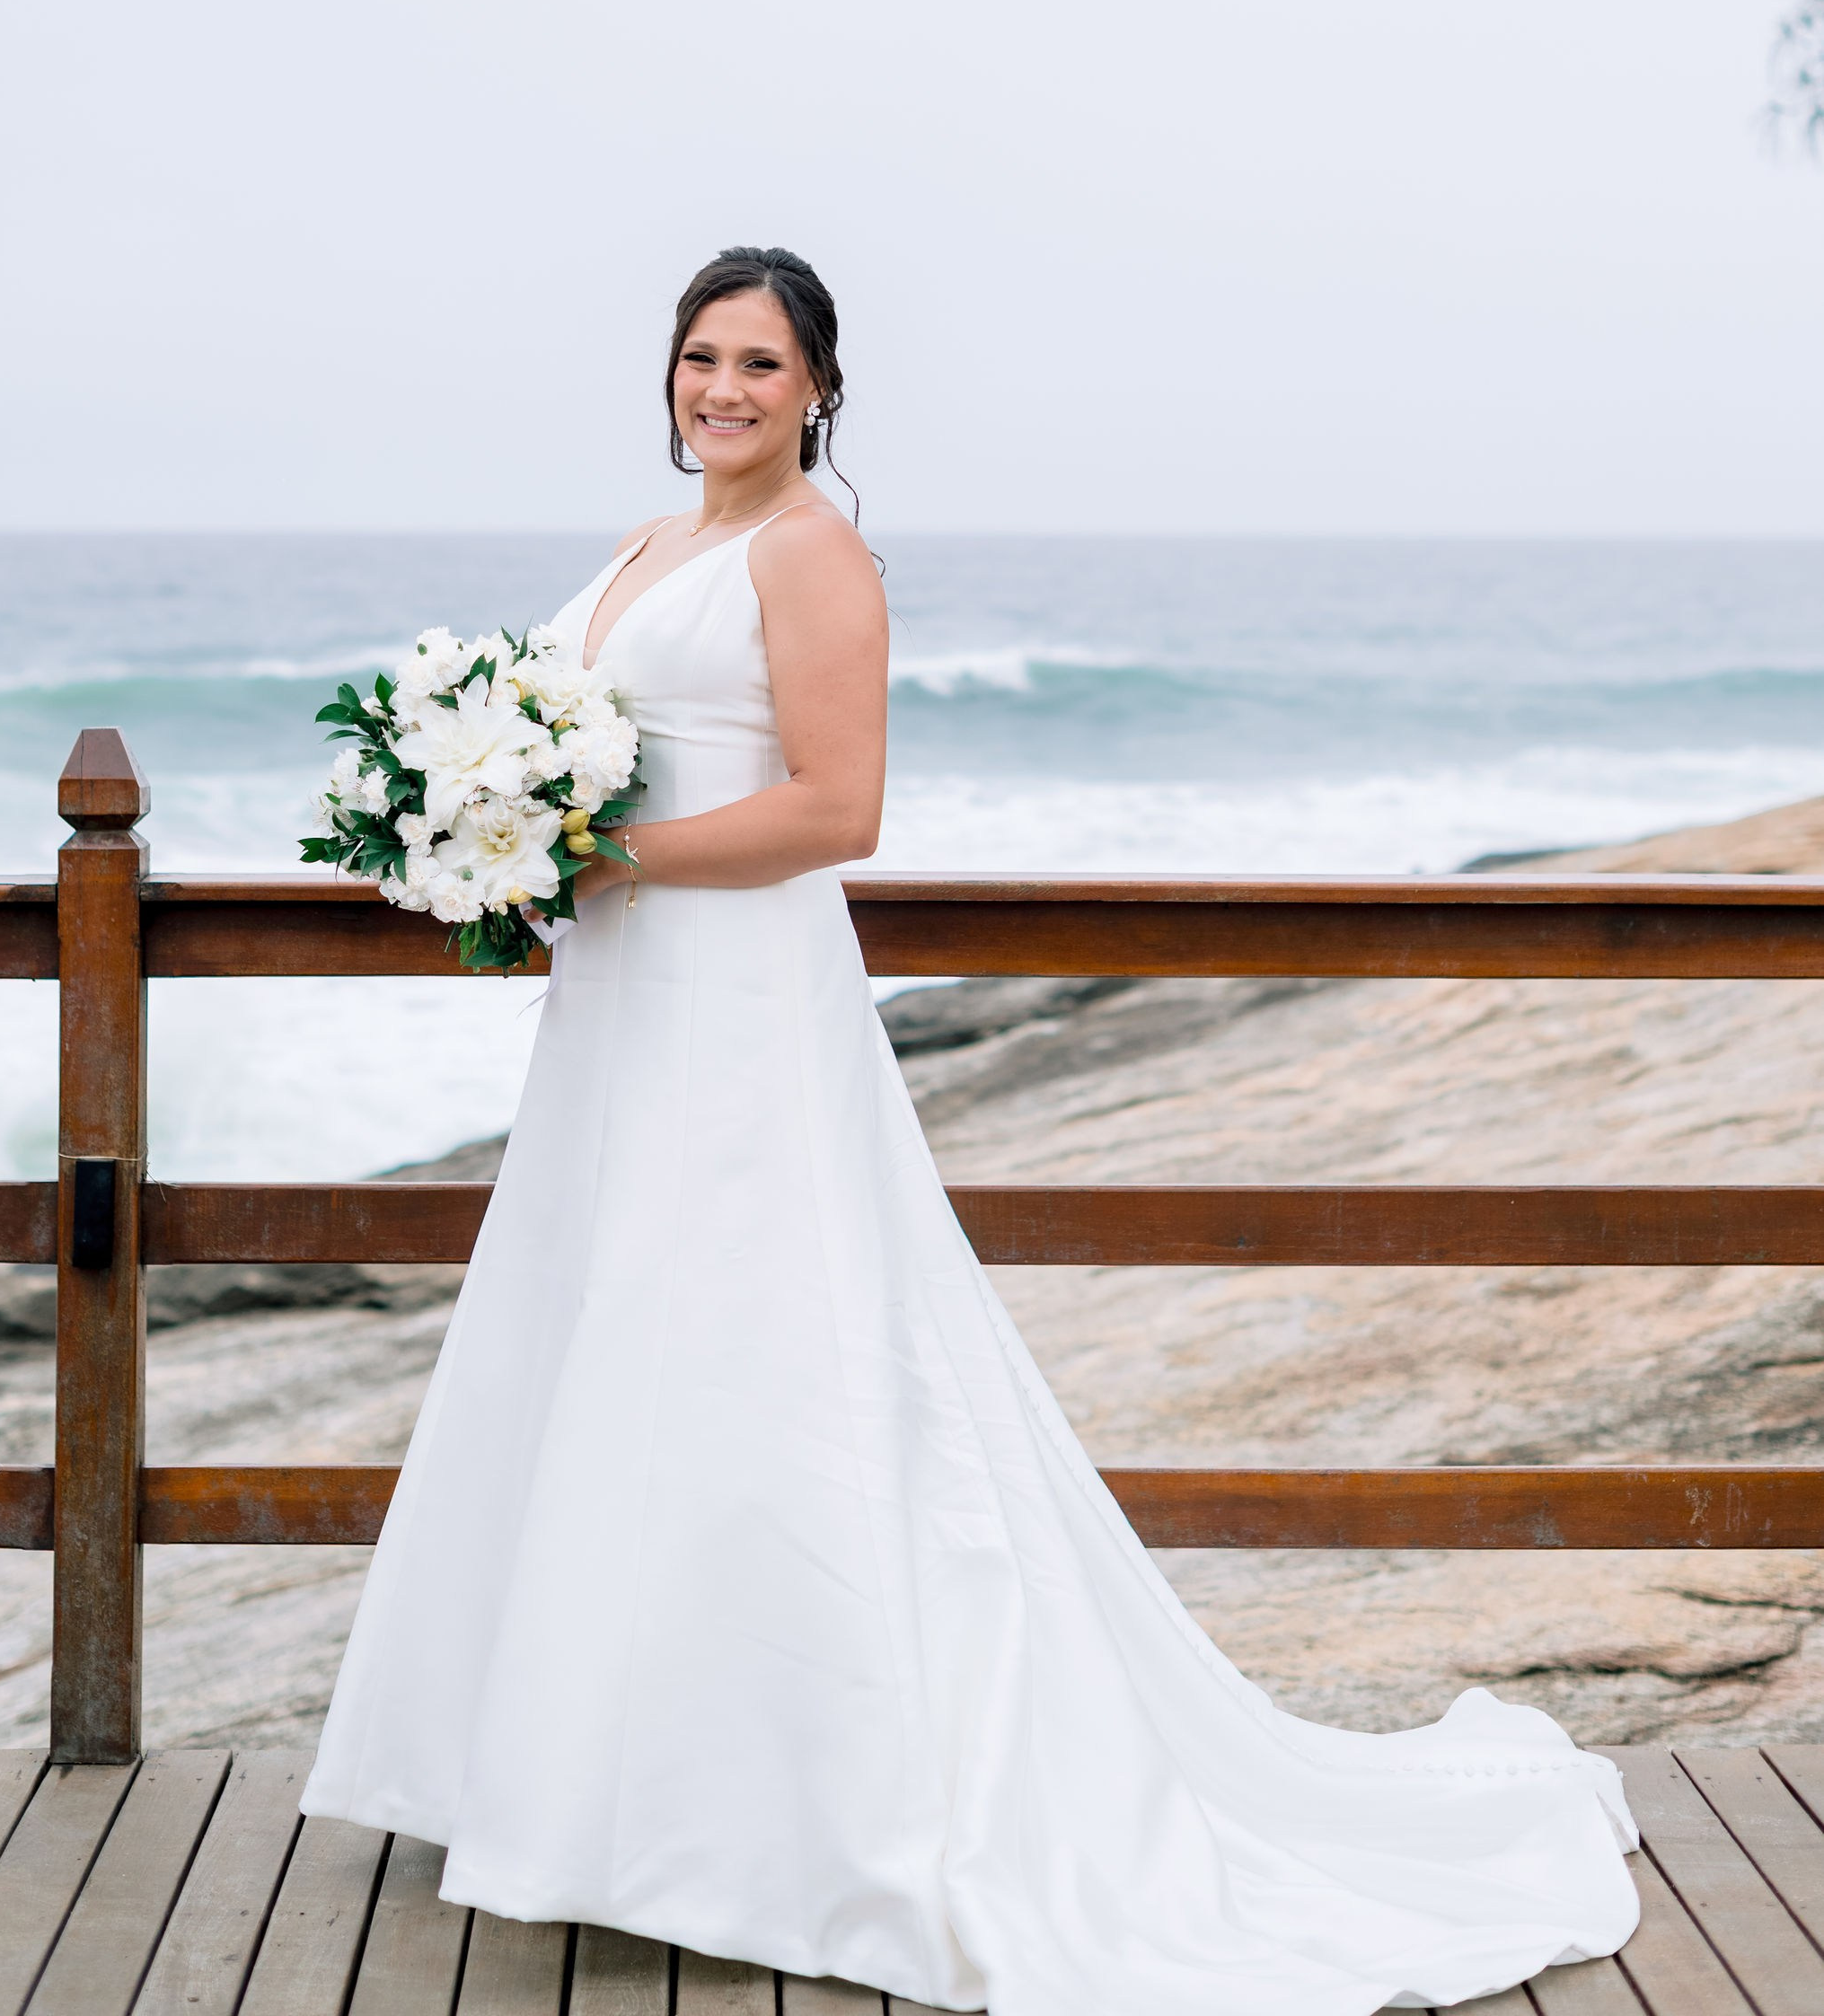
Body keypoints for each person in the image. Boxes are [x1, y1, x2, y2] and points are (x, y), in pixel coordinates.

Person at [302, 244, 1639, 2015]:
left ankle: (780, 1816)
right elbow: (586, 750)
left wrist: (593, 853)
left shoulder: (812, 552)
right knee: (603, 1347)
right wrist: (485, 830)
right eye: (700, 357)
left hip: (736, 1004)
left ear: (819, 390)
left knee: (747, 1352)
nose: (722, 389)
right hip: (614, 1008)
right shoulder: (645, 543)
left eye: (758, 363)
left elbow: (835, 808)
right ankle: (591, 1790)